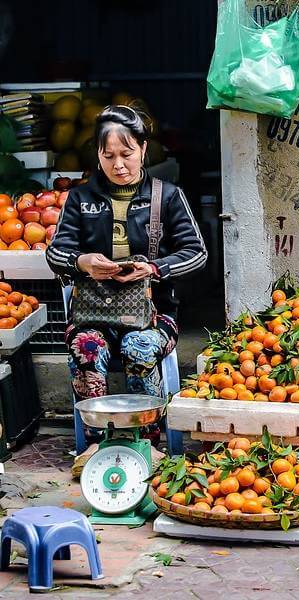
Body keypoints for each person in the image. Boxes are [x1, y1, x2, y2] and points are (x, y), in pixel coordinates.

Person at [46, 105, 207, 448]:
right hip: (93, 315)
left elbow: (197, 253)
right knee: (86, 347)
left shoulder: (167, 196)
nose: (118, 165)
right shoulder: (80, 198)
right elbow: (55, 253)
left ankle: (144, 443)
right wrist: (82, 262)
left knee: (139, 347)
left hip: (154, 315)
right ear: (98, 155)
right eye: (109, 156)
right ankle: (96, 445)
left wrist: (153, 268)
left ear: (144, 149)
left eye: (127, 154)